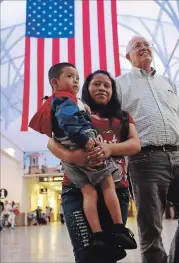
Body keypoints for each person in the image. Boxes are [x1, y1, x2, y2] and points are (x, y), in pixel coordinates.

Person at [114, 35, 179, 263]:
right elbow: (111, 121)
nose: (143, 47)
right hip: (144, 159)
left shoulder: (167, 82)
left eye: (146, 44)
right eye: (137, 46)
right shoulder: (119, 84)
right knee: (150, 228)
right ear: (128, 56)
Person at [29, 63, 137, 253]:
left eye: (107, 85)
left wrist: (108, 149)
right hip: (76, 187)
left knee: (111, 254)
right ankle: (108, 233)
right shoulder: (75, 108)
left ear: (113, 90)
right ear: (87, 88)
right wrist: (72, 156)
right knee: (87, 255)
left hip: (117, 187)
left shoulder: (123, 116)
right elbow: (51, 143)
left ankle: (105, 234)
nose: (102, 88)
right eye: (96, 84)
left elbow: (135, 144)